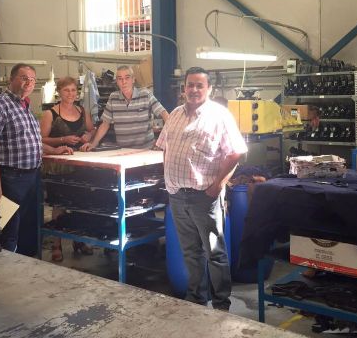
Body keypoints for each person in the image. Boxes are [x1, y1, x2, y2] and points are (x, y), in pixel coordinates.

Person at [156, 66, 247, 311]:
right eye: (190, 85)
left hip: (204, 197)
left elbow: (236, 152)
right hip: (177, 195)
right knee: (190, 251)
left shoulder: (219, 115)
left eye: (199, 85)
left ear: (209, 89)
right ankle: (196, 298)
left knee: (214, 253)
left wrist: (217, 186)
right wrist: (170, 182)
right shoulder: (175, 114)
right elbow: (165, 147)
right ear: (183, 87)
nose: (194, 89)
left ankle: (221, 304)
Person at [0, 63, 72, 253]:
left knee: (30, 228)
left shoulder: (25, 106)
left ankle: (28, 264)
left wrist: (54, 150)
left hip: (32, 176)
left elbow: (32, 140)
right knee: (9, 229)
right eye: (24, 78)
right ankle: (7, 267)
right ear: (11, 79)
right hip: (11, 177)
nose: (29, 82)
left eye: (32, 79)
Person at [40, 76, 96, 261]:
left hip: (80, 165)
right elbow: (41, 139)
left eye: (73, 90)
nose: (71, 94)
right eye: (66, 90)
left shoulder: (82, 110)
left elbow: (92, 129)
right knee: (59, 205)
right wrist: (63, 140)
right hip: (58, 167)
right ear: (59, 92)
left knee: (80, 204)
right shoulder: (50, 114)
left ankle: (78, 240)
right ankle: (56, 245)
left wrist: (88, 136)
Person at [81, 65, 168, 151]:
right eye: (120, 79)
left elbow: (165, 115)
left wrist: (162, 141)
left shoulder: (145, 94)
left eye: (127, 78)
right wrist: (93, 144)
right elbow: (105, 124)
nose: (124, 82)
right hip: (123, 150)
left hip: (146, 150)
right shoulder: (113, 97)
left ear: (133, 79)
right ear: (117, 81)